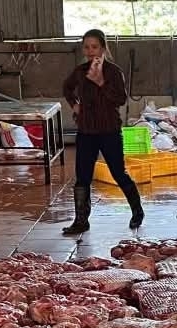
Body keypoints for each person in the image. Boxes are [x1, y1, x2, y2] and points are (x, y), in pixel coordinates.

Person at [62, 29, 144, 235]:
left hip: (109, 130)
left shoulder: (114, 72)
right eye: (86, 47)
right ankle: (81, 220)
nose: (90, 51)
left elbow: (120, 99)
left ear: (103, 48)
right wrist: (74, 104)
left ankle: (137, 211)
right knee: (82, 177)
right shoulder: (80, 71)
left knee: (118, 173)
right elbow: (67, 87)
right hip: (86, 130)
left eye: (95, 47)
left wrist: (100, 82)